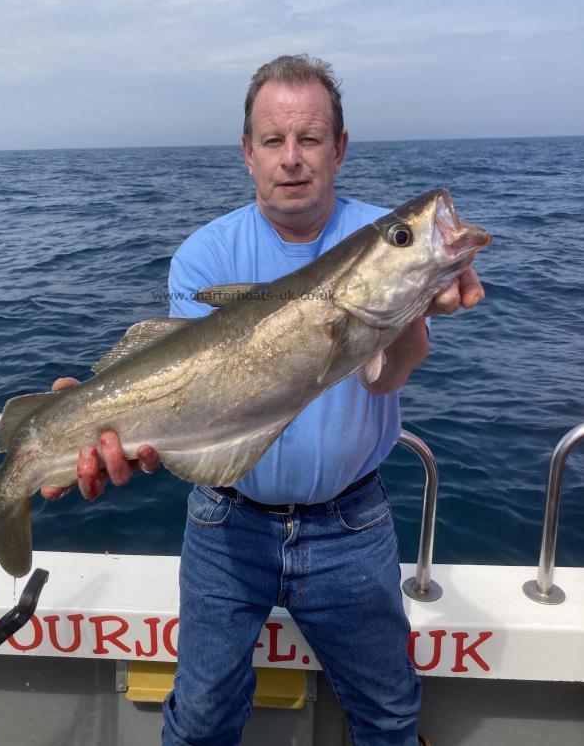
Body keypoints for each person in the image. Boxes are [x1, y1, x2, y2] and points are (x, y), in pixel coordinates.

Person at [43, 55, 484, 745]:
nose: (291, 159)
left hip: (352, 526)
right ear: (246, 153)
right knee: (199, 719)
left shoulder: (378, 239)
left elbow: (382, 377)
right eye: (272, 141)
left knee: (390, 713)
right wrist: (98, 420)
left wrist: (413, 310)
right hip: (225, 525)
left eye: (309, 139)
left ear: (338, 148)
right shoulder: (204, 253)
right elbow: (187, 390)